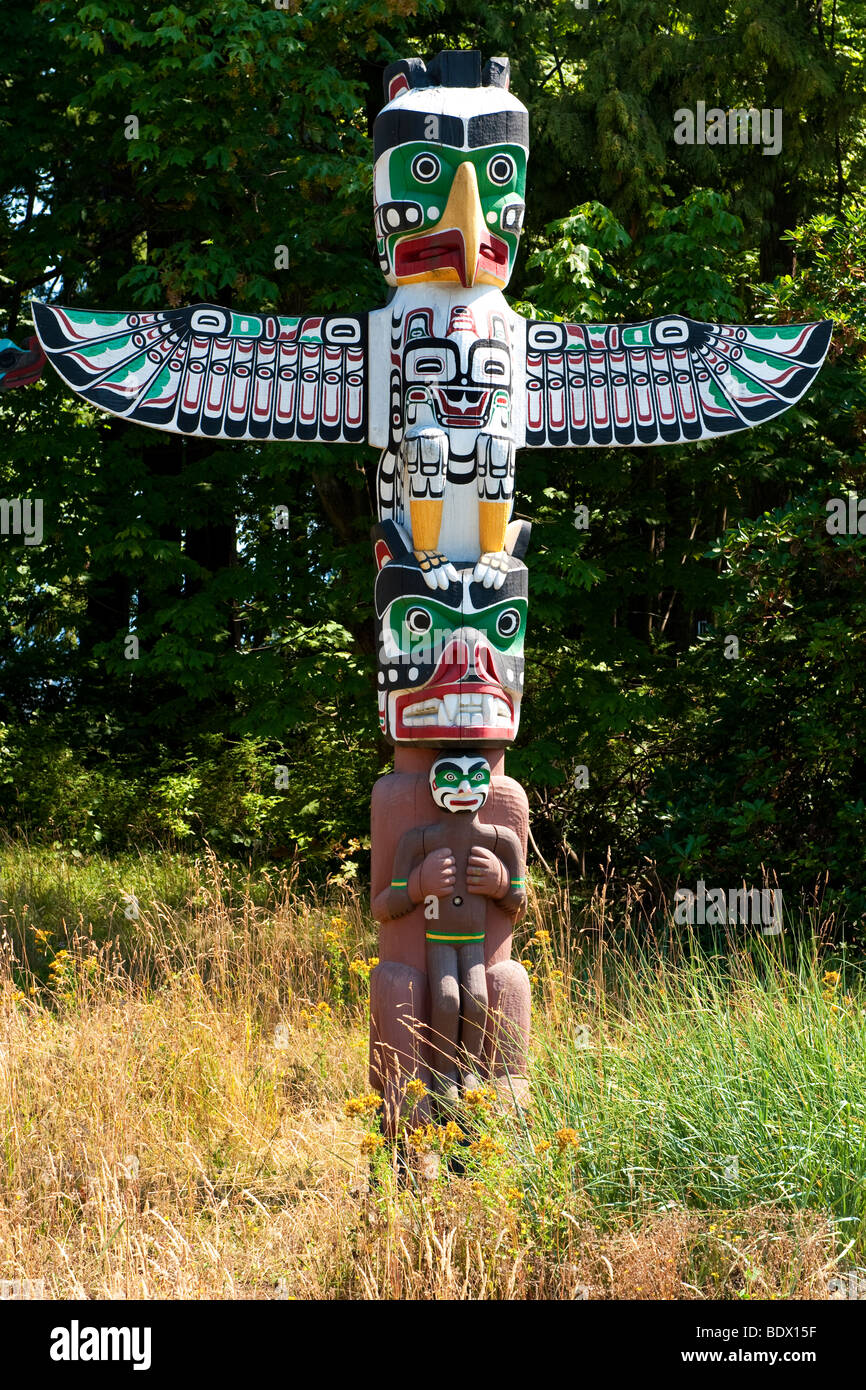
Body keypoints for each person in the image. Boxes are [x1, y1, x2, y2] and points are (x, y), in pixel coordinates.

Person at [378, 754, 526, 1101]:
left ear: (487, 788)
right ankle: (444, 1072)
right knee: (445, 998)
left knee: (478, 998)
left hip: (475, 940)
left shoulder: (501, 837)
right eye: (450, 778)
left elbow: (517, 900)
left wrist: (501, 882)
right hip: (438, 940)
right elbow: (386, 904)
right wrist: (418, 883)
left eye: (474, 779)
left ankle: (472, 1071)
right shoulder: (418, 838)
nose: (462, 787)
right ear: (432, 786)